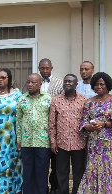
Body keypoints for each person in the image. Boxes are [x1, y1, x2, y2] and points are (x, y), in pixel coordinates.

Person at [77, 72, 112, 193]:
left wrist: (104, 124)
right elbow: (84, 121)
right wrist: (89, 126)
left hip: (109, 144)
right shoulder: (89, 102)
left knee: (109, 169)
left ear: (107, 85)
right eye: (96, 84)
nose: (99, 87)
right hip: (94, 143)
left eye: (102, 84)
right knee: (92, 168)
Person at [0, 68, 23, 194]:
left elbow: (22, 116)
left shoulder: (17, 95)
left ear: (9, 79)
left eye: (3, 77)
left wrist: (21, 138)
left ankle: (13, 189)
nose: (0, 80)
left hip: (12, 138)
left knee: (11, 164)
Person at [49, 74, 87, 194]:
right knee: (61, 172)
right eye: (65, 81)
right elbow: (51, 123)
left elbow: (86, 121)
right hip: (61, 143)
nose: (67, 83)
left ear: (76, 84)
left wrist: (87, 142)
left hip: (79, 143)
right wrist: (53, 142)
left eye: (70, 82)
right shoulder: (56, 100)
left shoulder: (84, 100)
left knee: (79, 172)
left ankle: (77, 192)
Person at [16, 73, 52, 194]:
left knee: (42, 172)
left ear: (40, 84)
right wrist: (19, 140)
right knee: (28, 172)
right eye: (28, 82)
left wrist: (52, 140)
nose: (30, 85)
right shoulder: (21, 99)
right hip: (26, 142)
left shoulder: (48, 99)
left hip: (43, 142)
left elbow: (52, 121)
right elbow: (19, 121)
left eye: (33, 82)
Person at [38, 58, 63, 194]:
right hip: (39, 127)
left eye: (47, 68)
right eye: (42, 68)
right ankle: (42, 188)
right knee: (42, 160)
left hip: (55, 127)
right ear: (39, 69)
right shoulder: (34, 82)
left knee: (55, 161)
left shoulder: (59, 83)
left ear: (51, 68)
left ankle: (54, 186)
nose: (45, 71)